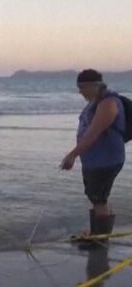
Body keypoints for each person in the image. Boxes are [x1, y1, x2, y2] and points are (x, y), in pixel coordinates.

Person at [61, 69, 126, 250]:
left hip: (106, 160)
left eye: (82, 87)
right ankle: (96, 235)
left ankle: (100, 240)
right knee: (96, 197)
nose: (80, 91)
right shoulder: (94, 103)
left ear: (94, 85)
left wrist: (72, 154)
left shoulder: (109, 103)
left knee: (99, 198)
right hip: (94, 160)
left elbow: (93, 134)